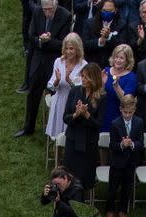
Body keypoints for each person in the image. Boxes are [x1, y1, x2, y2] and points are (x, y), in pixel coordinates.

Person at [15, 0, 71, 138]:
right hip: (38, 60)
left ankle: (54, 129)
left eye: (50, 9)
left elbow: (63, 44)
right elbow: (31, 35)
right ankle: (28, 128)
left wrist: (48, 41)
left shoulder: (65, 16)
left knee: (54, 95)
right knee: (33, 94)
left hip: (55, 62)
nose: (47, 13)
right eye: (45, 9)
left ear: (56, 5)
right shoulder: (37, 12)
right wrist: (40, 41)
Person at [63, 62, 105, 191]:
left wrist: (87, 115)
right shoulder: (75, 90)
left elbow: (98, 124)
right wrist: (76, 114)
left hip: (88, 143)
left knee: (84, 177)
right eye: (82, 76)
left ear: (94, 78)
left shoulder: (101, 97)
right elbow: (65, 117)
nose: (83, 79)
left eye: (87, 77)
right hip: (73, 139)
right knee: (69, 175)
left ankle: (82, 204)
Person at [107, 94, 143, 217]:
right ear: (120, 109)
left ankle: (123, 211)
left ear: (134, 110)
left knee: (126, 188)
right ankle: (110, 210)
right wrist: (122, 145)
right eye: (125, 112)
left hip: (131, 162)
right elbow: (112, 145)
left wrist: (132, 144)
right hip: (117, 162)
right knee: (113, 188)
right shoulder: (115, 123)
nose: (127, 115)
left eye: (130, 112)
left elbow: (140, 143)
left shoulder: (139, 122)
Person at [45, 32, 87, 140]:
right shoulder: (59, 61)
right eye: (67, 48)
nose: (68, 51)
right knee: (58, 137)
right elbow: (51, 87)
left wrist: (68, 80)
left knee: (70, 138)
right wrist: (57, 81)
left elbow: (82, 91)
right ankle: (57, 155)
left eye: (71, 48)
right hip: (59, 101)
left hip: (73, 104)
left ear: (78, 49)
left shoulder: (84, 65)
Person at [100, 44, 136, 133]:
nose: (118, 60)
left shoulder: (131, 77)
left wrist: (116, 86)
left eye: (121, 58)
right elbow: (98, 94)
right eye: (116, 57)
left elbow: (126, 102)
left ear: (127, 60)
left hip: (119, 115)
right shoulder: (106, 71)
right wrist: (102, 84)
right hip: (103, 113)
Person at [83, 0, 124, 66]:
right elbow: (84, 44)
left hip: (113, 65)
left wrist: (109, 37)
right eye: (104, 10)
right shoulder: (90, 23)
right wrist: (100, 41)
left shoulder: (122, 24)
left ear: (116, 11)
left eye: (110, 11)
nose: (107, 13)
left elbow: (123, 46)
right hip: (93, 64)